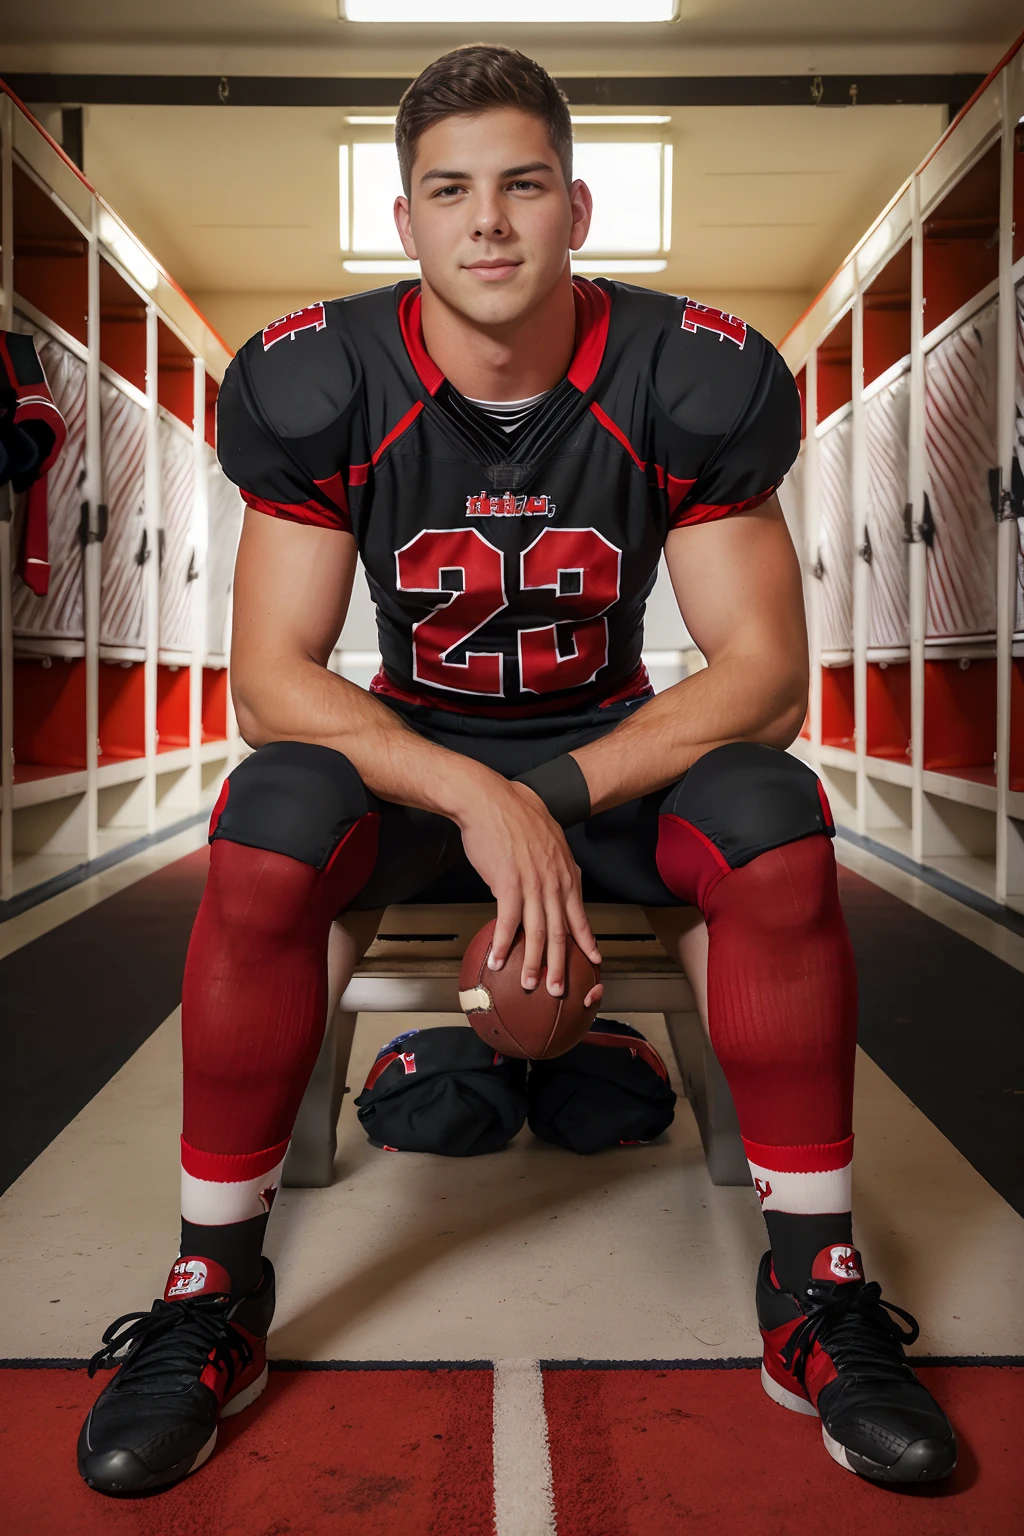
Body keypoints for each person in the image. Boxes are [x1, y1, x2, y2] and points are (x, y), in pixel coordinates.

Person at [77, 44, 956, 1495]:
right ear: (408, 221)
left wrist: (547, 797)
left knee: (776, 815)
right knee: (268, 816)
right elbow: (273, 681)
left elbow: (762, 681)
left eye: (522, 185)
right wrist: (480, 795)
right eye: (451, 191)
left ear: (577, 208)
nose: (489, 221)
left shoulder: (684, 372)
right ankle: (209, 1292)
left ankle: (816, 1291)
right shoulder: (323, 379)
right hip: (418, 771)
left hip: (608, 766)